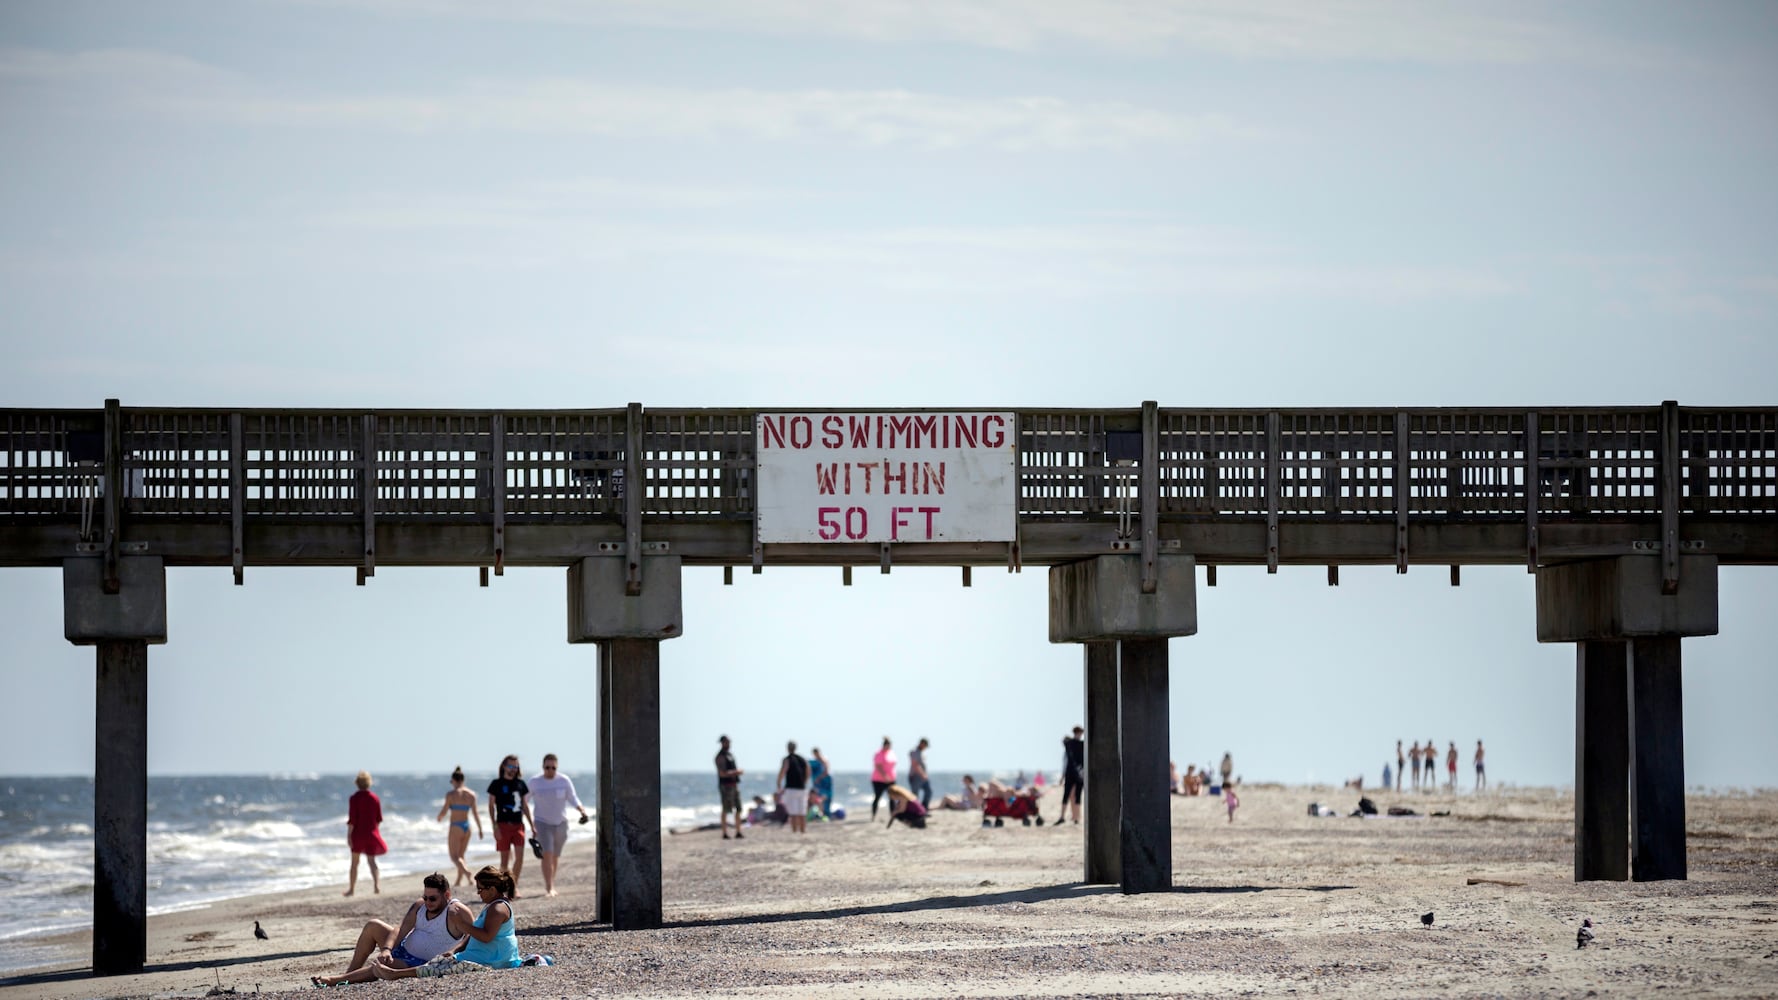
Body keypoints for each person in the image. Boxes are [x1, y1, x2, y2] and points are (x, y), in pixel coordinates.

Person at [313, 872, 474, 986]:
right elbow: (400, 930)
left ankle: (334, 980)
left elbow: (473, 936)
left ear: (447, 895)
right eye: (425, 897)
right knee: (372, 926)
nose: (428, 902)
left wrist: (454, 953)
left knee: (380, 969)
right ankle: (348, 975)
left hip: (420, 963)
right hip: (403, 948)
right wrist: (387, 950)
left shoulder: (456, 912)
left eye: (432, 898)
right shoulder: (420, 906)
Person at [371, 866, 520, 978]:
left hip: (493, 960)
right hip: (487, 956)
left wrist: (462, 925)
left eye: (481, 890)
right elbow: (474, 935)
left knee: (438, 967)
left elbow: (486, 936)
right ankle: (393, 973)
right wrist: (455, 950)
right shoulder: (493, 906)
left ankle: (395, 974)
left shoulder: (498, 909)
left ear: (492, 890)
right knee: (441, 961)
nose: (478, 893)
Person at [528, 753, 589, 897]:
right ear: (542, 767)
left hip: (561, 823)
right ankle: (549, 887)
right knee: (546, 854)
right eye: (547, 767)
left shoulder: (564, 780)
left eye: (553, 768)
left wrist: (581, 810)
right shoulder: (534, 782)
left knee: (555, 856)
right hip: (542, 822)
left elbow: (572, 797)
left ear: (557, 767)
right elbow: (524, 801)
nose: (550, 770)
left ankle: (552, 882)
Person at [485, 755, 533, 897]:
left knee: (519, 857)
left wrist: (532, 825)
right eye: (511, 766)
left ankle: (513, 886)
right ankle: (503, 887)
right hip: (502, 825)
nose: (513, 769)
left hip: (518, 825)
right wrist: (494, 827)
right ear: (504, 767)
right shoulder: (496, 784)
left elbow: (525, 805)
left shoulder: (520, 784)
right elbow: (491, 806)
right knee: (504, 861)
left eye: (516, 767)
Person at [436, 766, 484, 886]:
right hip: (467, 827)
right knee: (461, 856)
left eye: (451, 781)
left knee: (454, 857)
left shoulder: (451, 795)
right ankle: (459, 880)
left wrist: (439, 817)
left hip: (456, 826)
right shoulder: (471, 794)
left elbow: (444, 810)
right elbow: (475, 813)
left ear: (454, 780)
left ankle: (468, 874)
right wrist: (480, 829)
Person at [345, 771, 387, 897]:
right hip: (371, 834)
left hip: (357, 834)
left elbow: (352, 820)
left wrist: (349, 835)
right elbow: (379, 819)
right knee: (372, 861)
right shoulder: (375, 798)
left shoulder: (354, 798)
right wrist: (375, 832)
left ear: (357, 783)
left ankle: (351, 889)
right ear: (369, 783)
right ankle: (376, 885)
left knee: (354, 863)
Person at [776, 740, 812, 834]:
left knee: (793, 812)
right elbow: (808, 771)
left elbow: (783, 771)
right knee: (802, 811)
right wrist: (805, 781)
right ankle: (803, 830)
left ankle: (795, 831)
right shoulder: (802, 759)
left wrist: (779, 783)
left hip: (791, 788)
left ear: (787, 748)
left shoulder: (787, 759)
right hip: (802, 788)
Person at [715, 735, 744, 840]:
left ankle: (738, 831)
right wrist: (736, 772)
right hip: (725, 786)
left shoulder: (730, 755)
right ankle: (724, 832)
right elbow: (722, 773)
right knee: (726, 809)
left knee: (739, 808)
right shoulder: (720, 756)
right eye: (726, 742)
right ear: (722, 743)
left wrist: (735, 773)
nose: (728, 744)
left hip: (734, 785)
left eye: (729, 742)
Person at [1059, 726, 1085, 825]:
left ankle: (1076, 817)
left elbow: (1065, 740)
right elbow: (1065, 763)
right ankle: (1066, 817)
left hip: (1076, 774)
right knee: (1068, 795)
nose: (1080, 735)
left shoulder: (1070, 744)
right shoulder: (1079, 745)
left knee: (1076, 795)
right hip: (1075, 773)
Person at [871, 737, 897, 820]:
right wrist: (885, 776)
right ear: (884, 745)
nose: (889, 747)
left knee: (892, 797)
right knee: (877, 797)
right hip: (878, 780)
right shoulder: (879, 753)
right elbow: (878, 766)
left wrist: (890, 777)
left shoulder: (891, 753)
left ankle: (892, 814)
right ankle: (873, 815)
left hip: (891, 779)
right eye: (888, 745)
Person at [809, 746, 835, 819]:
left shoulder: (823, 760)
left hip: (825, 782)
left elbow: (827, 771)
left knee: (825, 798)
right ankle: (822, 813)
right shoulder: (815, 761)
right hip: (820, 783)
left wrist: (819, 778)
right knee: (819, 798)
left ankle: (826, 814)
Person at [907, 738, 932, 809]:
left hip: (922, 777)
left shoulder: (921, 753)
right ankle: (916, 809)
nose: (925, 748)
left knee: (928, 792)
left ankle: (923, 808)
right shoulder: (915, 752)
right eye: (925, 746)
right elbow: (915, 764)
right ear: (922, 744)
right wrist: (923, 774)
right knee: (915, 795)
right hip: (916, 777)